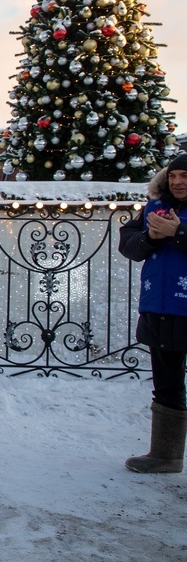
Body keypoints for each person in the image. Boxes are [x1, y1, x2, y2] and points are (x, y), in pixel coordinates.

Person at [118, 154, 187, 473]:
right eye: (173, 176)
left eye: (185, 176)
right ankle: (165, 455)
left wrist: (179, 232)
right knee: (166, 383)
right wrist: (150, 237)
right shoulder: (153, 208)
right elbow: (128, 244)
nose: (177, 182)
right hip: (160, 307)